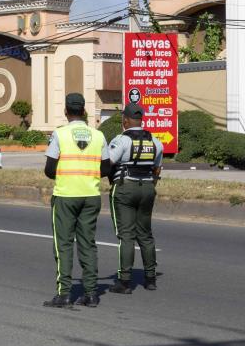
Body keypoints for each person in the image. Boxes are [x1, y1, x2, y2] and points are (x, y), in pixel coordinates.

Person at [43, 93, 110, 308]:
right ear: (83, 111)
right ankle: (91, 294)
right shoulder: (98, 135)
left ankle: (64, 294)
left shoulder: (60, 134)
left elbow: (49, 169)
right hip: (90, 195)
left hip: (65, 195)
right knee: (88, 244)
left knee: (63, 245)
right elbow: (107, 167)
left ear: (66, 111)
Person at [107, 103, 163, 294]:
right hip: (147, 188)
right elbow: (157, 168)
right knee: (145, 234)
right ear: (141, 120)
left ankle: (124, 281)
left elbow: (109, 162)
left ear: (125, 120)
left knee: (126, 235)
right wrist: (150, 184)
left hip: (125, 188)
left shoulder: (121, 140)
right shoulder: (155, 141)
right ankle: (150, 278)